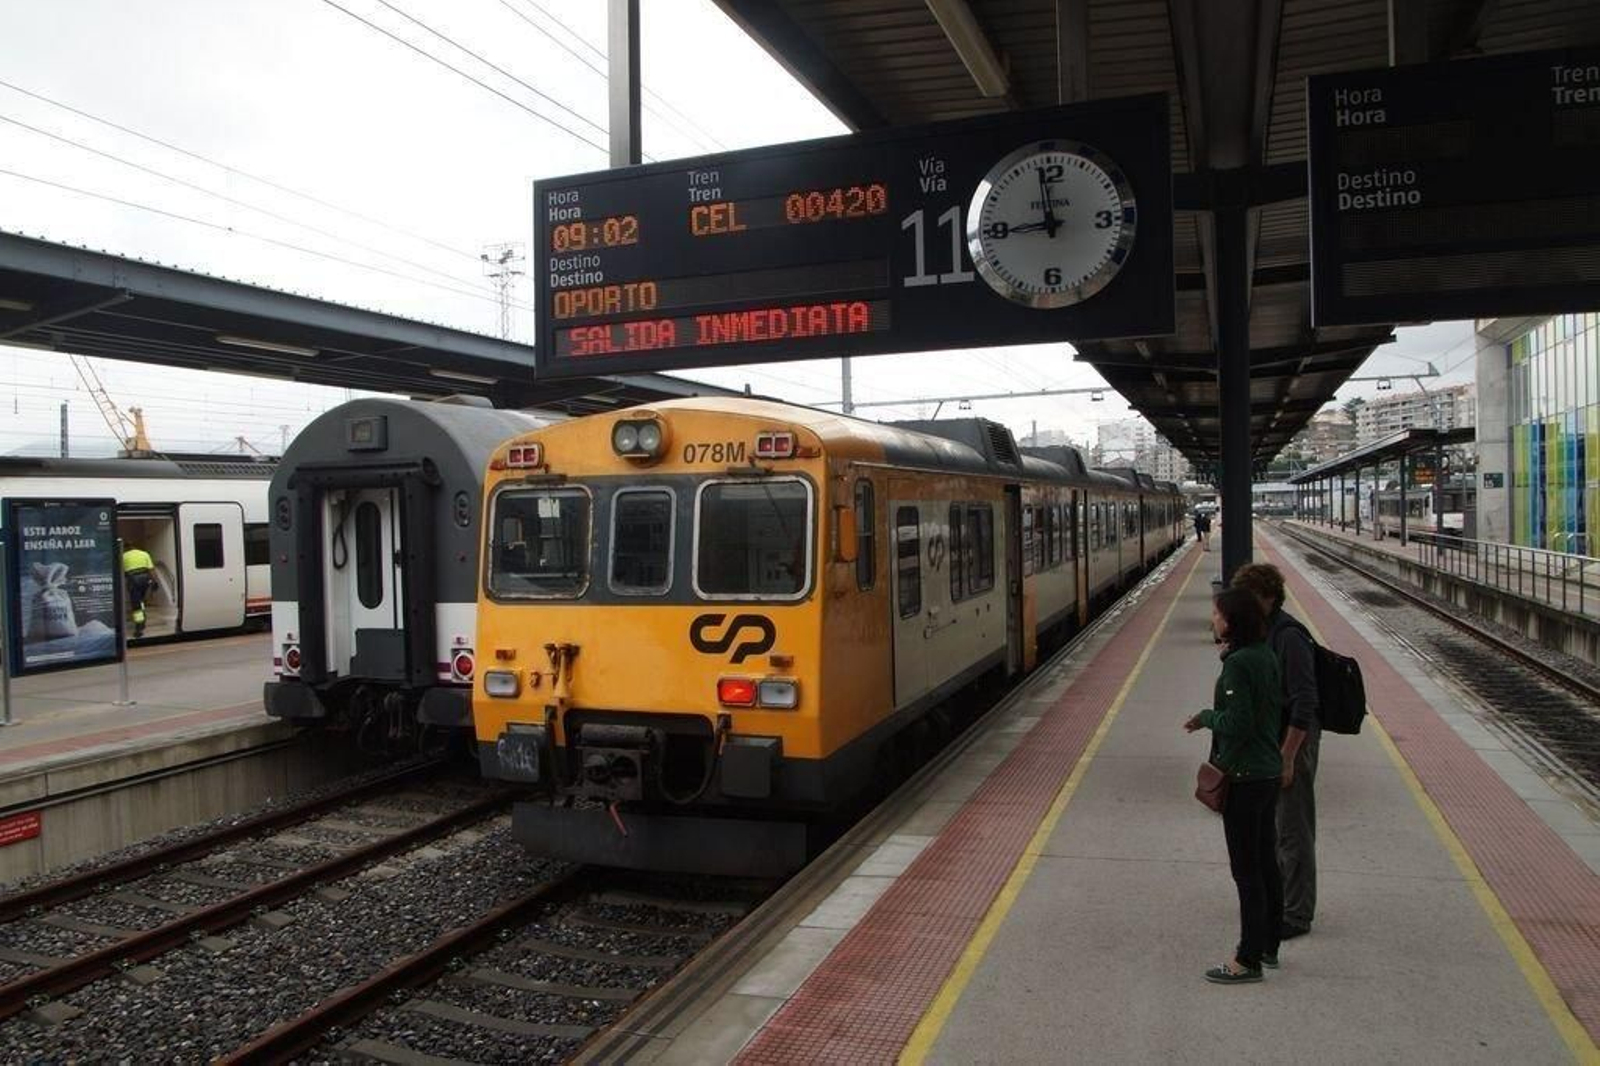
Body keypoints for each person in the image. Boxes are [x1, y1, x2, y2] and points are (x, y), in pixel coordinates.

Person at [1184, 587, 1284, 983]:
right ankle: (1269, 946)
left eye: (1217, 614)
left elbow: (1238, 723)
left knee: (1247, 872)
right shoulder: (1265, 655)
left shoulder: (1239, 664)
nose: (1213, 619)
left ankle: (1247, 960)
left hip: (1244, 777)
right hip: (1268, 772)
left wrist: (1208, 717)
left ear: (1233, 621)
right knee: (1266, 864)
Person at [1232, 562, 1320, 941]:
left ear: (1268, 598)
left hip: (1292, 740)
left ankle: (1297, 914)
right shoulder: (1264, 632)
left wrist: (1288, 756)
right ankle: (1279, 899)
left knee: (1293, 828)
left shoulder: (1290, 637)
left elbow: (1305, 702)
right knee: (1273, 826)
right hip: (1272, 740)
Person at [122, 543, 154, 638]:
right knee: (141, 600)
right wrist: (154, 582)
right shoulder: (144, 553)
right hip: (145, 580)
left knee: (136, 606)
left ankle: (139, 627)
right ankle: (142, 616)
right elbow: (151, 569)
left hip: (133, 581)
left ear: (126, 549)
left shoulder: (124, 556)